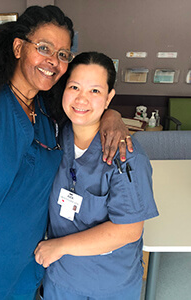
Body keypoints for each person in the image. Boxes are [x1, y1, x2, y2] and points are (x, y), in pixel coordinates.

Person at [0, 6, 133, 300]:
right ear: (18, 48)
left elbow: (88, 103)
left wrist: (111, 116)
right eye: (44, 48)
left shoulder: (48, 114)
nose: (53, 62)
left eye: (62, 54)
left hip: (24, 269)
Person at [34, 52, 159, 300]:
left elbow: (128, 231)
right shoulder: (56, 137)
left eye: (95, 91)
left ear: (109, 98)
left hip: (109, 284)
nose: (82, 98)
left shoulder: (126, 155)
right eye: (75, 87)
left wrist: (59, 246)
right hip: (61, 278)